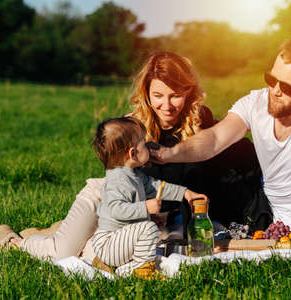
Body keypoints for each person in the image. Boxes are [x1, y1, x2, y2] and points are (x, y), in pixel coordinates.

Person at [10, 51, 261, 259]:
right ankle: (12, 242)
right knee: (63, 252)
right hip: (109, 199)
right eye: (158, 96)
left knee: (108, 253)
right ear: (147, 94)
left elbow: (223, 155)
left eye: (175, 95)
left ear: (189, 91)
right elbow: (122, 187)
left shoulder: (200, 121)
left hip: (150, 213)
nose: (167, 105)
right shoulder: (133, 128)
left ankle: (65, 233)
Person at [150, 34, 291, 246]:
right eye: (271, 80)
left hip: (273, 222)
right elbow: (214, 139)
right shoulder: (256, 101)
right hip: (255, 197)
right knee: (209, 138)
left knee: (225, 153)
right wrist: (167, 154)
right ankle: (151, 219)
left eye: (286, 87)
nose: (275, 91)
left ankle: (173, 222)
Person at [89, 116, 207, 277]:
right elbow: (116, 209)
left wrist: (185, 193)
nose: (148, 145)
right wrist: (145, 208)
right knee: (149, 228)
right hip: (109, 242)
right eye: (143, 142)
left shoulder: (134, 175)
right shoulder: (118, 180)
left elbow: (157, 186)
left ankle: (111, 263)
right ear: (133, 153)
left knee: (149, 225)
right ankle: (142, 270)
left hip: (120, 241)